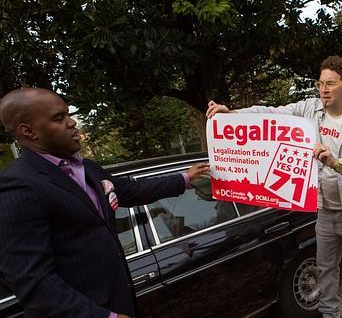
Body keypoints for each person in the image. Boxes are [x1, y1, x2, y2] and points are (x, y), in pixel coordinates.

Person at [0, 88, 210, 318]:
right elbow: (33, 281)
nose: (72, 123)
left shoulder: (87, 168)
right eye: (59, 118)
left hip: (119, 301)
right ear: (28, 131)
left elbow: (130, 190)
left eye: (68, 114)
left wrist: (185, 177)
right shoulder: (18, 185)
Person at [206, 56, 342, 318]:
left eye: (330, 84)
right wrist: (232, 114)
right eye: (320, 83)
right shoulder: (310, 109)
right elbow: (272, 112)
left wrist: (335, 162)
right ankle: (329, 314)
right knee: (325, 269)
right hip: (324, 210)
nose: (323, 89)